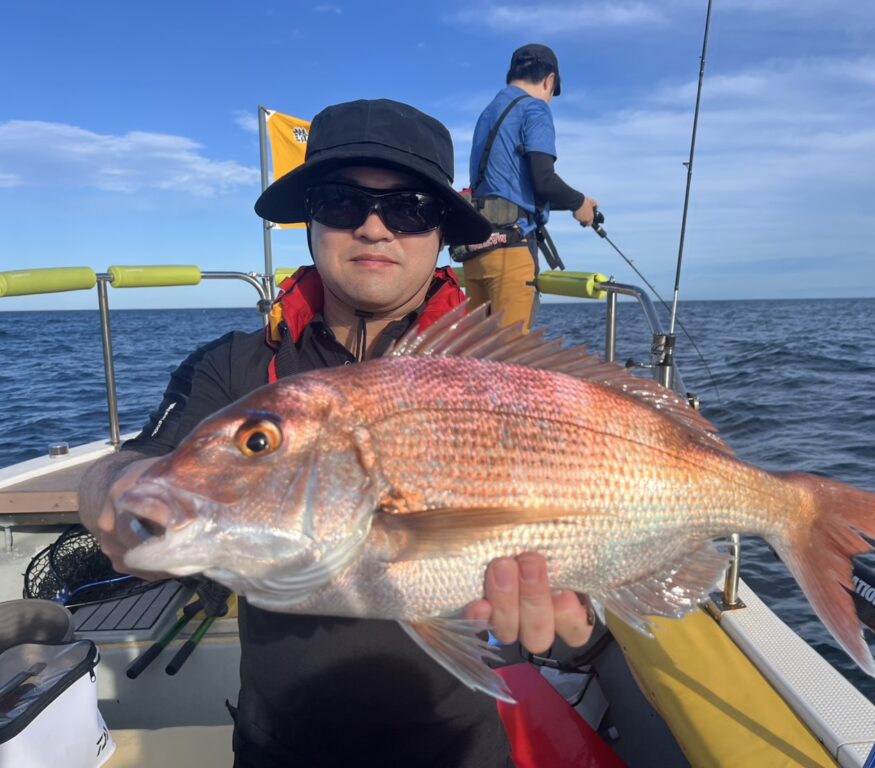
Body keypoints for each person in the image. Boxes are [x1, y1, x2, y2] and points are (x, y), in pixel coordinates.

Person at [78, 98, 595, 768]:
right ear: (310, 221)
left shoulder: (503, 381)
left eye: (410, 208)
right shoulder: (237, 368)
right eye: (342, 202)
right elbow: (135, 464)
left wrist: (583, 601)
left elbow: (589, 535)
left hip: (460, 749)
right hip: (277, 746)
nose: (374, 227)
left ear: (442, 230)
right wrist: (118, 490)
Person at [460, 43, 600, 333]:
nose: (550, 99)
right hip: (510, 251)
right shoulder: (535, 108)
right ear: (549, 80)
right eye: (553, 92)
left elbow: (508, 187)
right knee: (512, 355)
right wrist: (579, 203)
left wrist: (575, 203)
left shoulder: (488, 113)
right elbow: (544, 179)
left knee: (478, 353)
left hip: (476, 252)